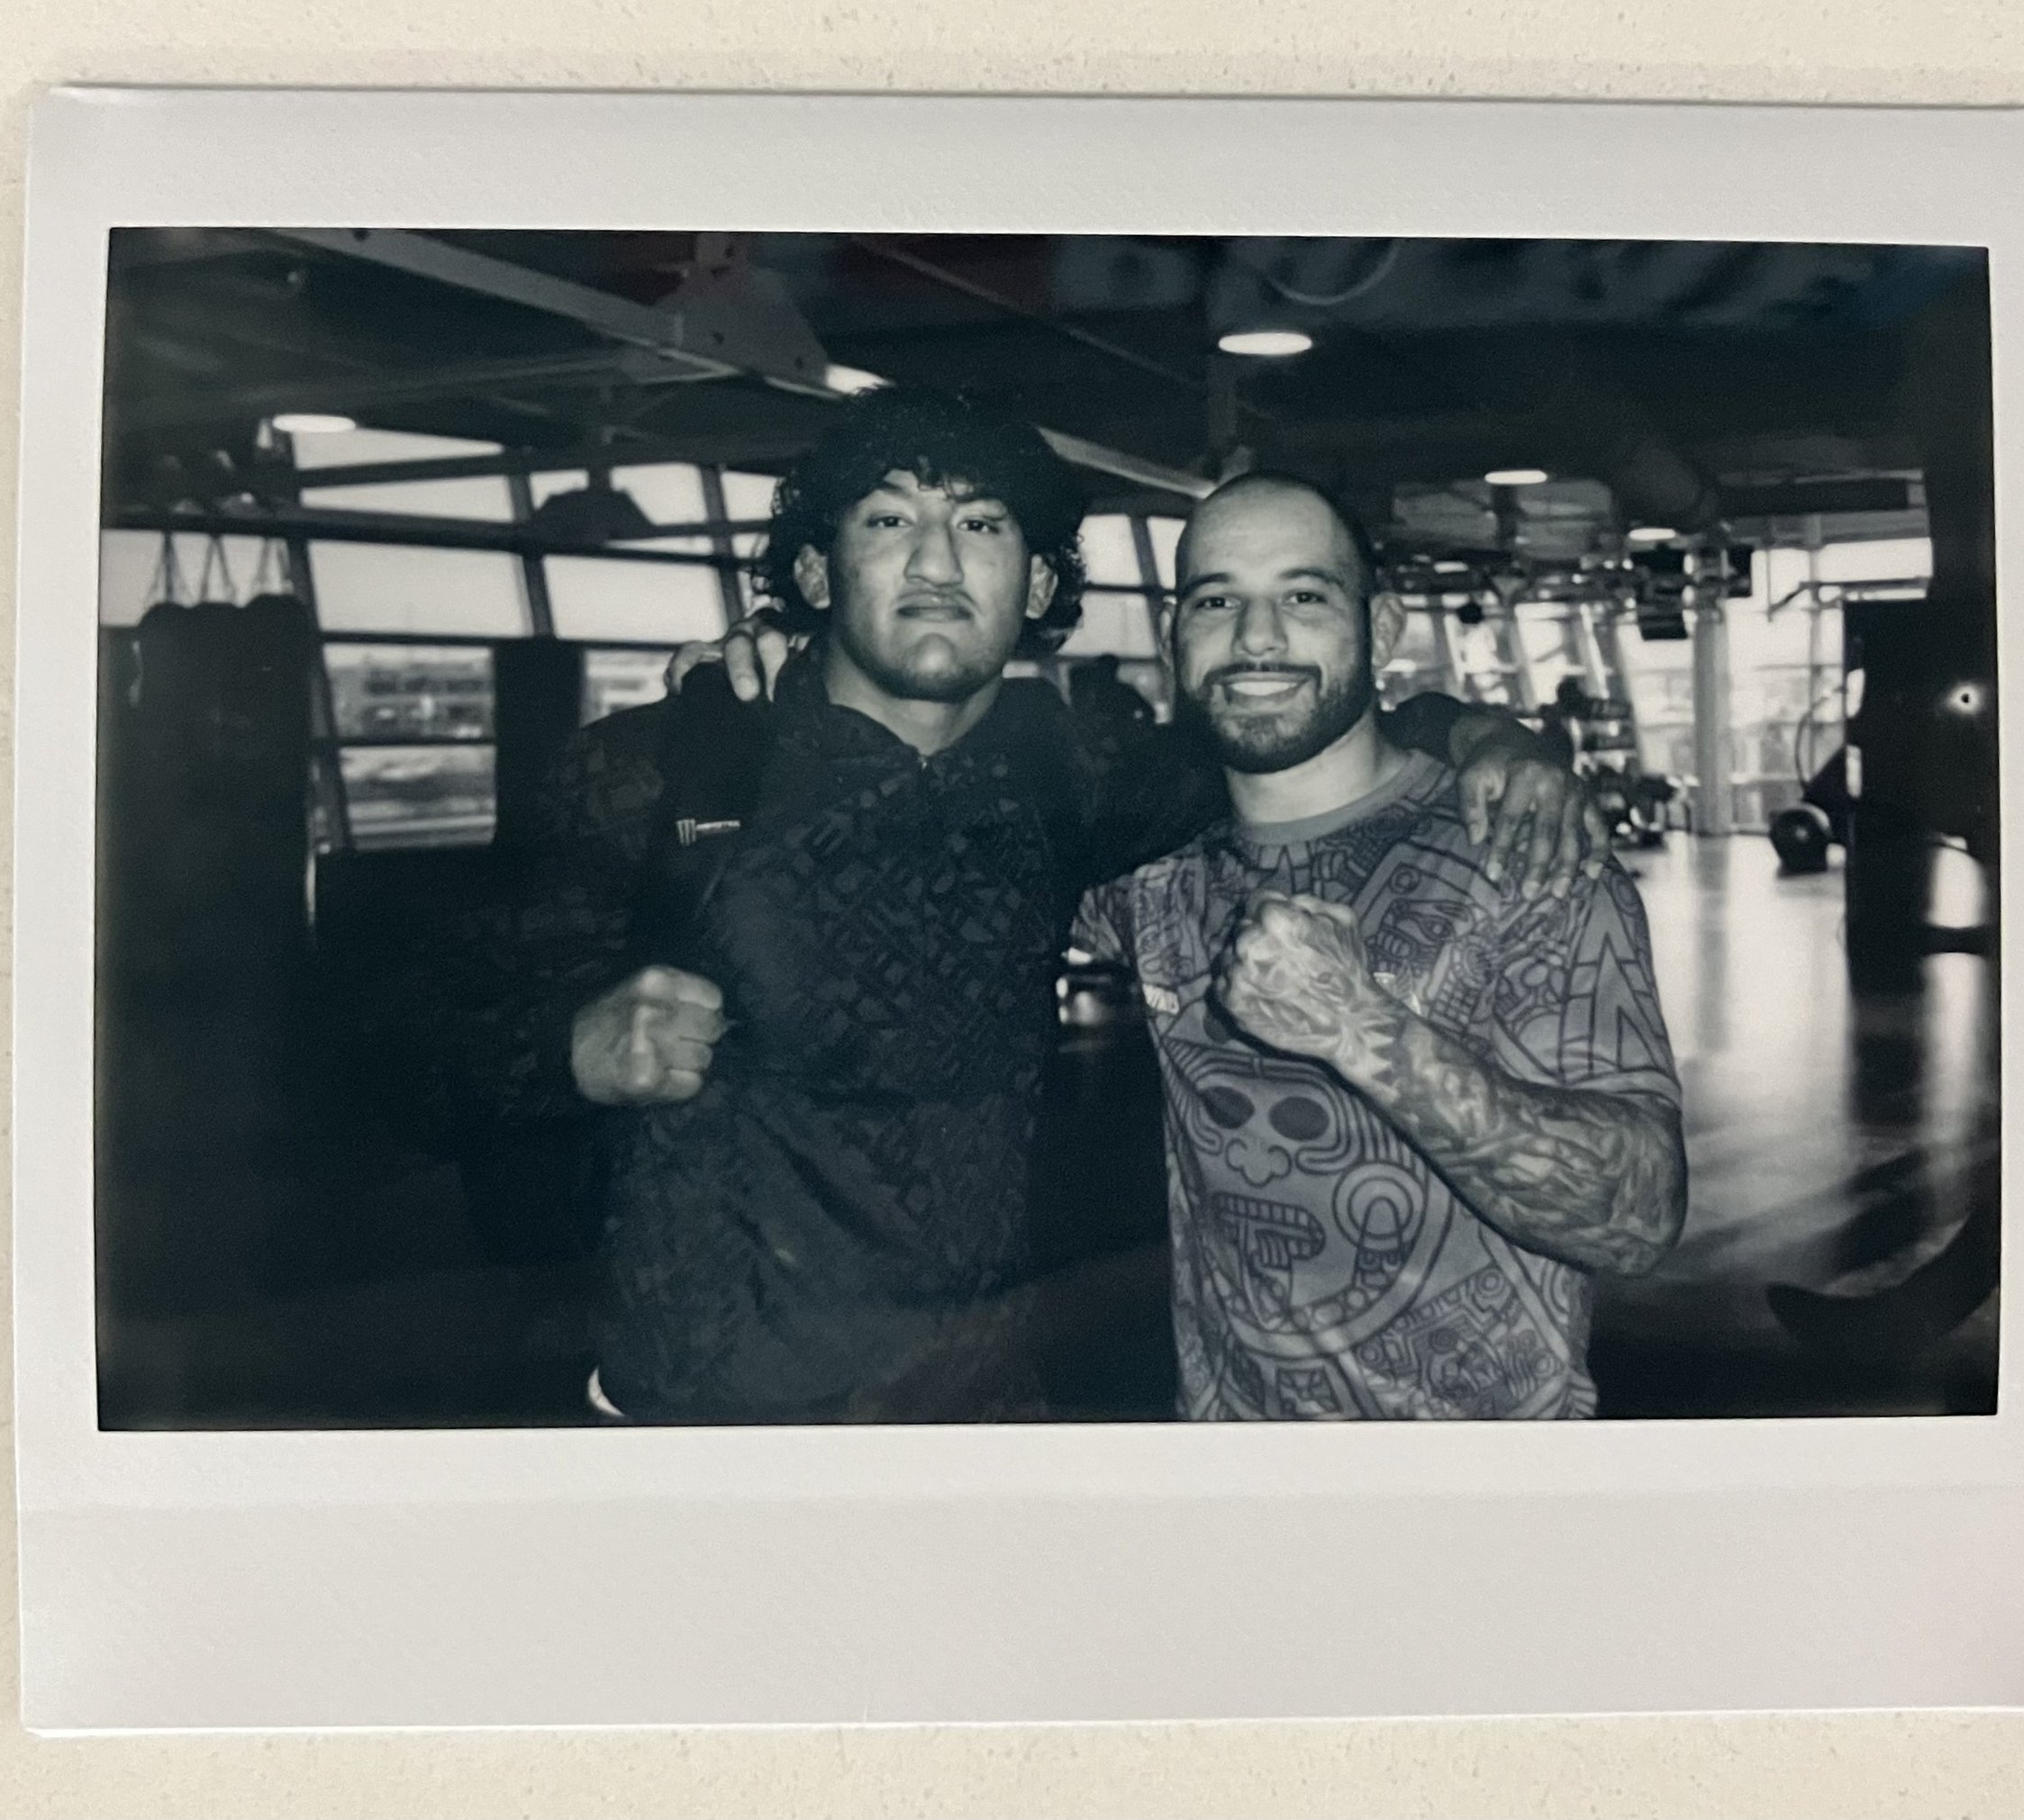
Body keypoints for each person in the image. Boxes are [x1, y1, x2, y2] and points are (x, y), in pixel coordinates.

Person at [451, 388, 1608, 1424]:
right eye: (888, 520)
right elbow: (421, 1042)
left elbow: (1285, 723)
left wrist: (1486, 733)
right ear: (816, 574)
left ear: (1039, 584)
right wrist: (569, 1047)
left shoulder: (1066, 772)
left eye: (982, 525)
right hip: (707, 1417)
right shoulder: (657, 769)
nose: (936, 563)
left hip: (976, 1401)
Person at [1071, 472, 1687, 1419]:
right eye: (1217, 600)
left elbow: (1638, 1217)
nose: (1257, 637)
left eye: (1304, 596)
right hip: (1231, 1466)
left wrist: (1360, 1029)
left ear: (1383, 627)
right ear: (1174, 634)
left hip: (1473, 1478)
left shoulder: (1524, 854)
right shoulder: (1150, 872)